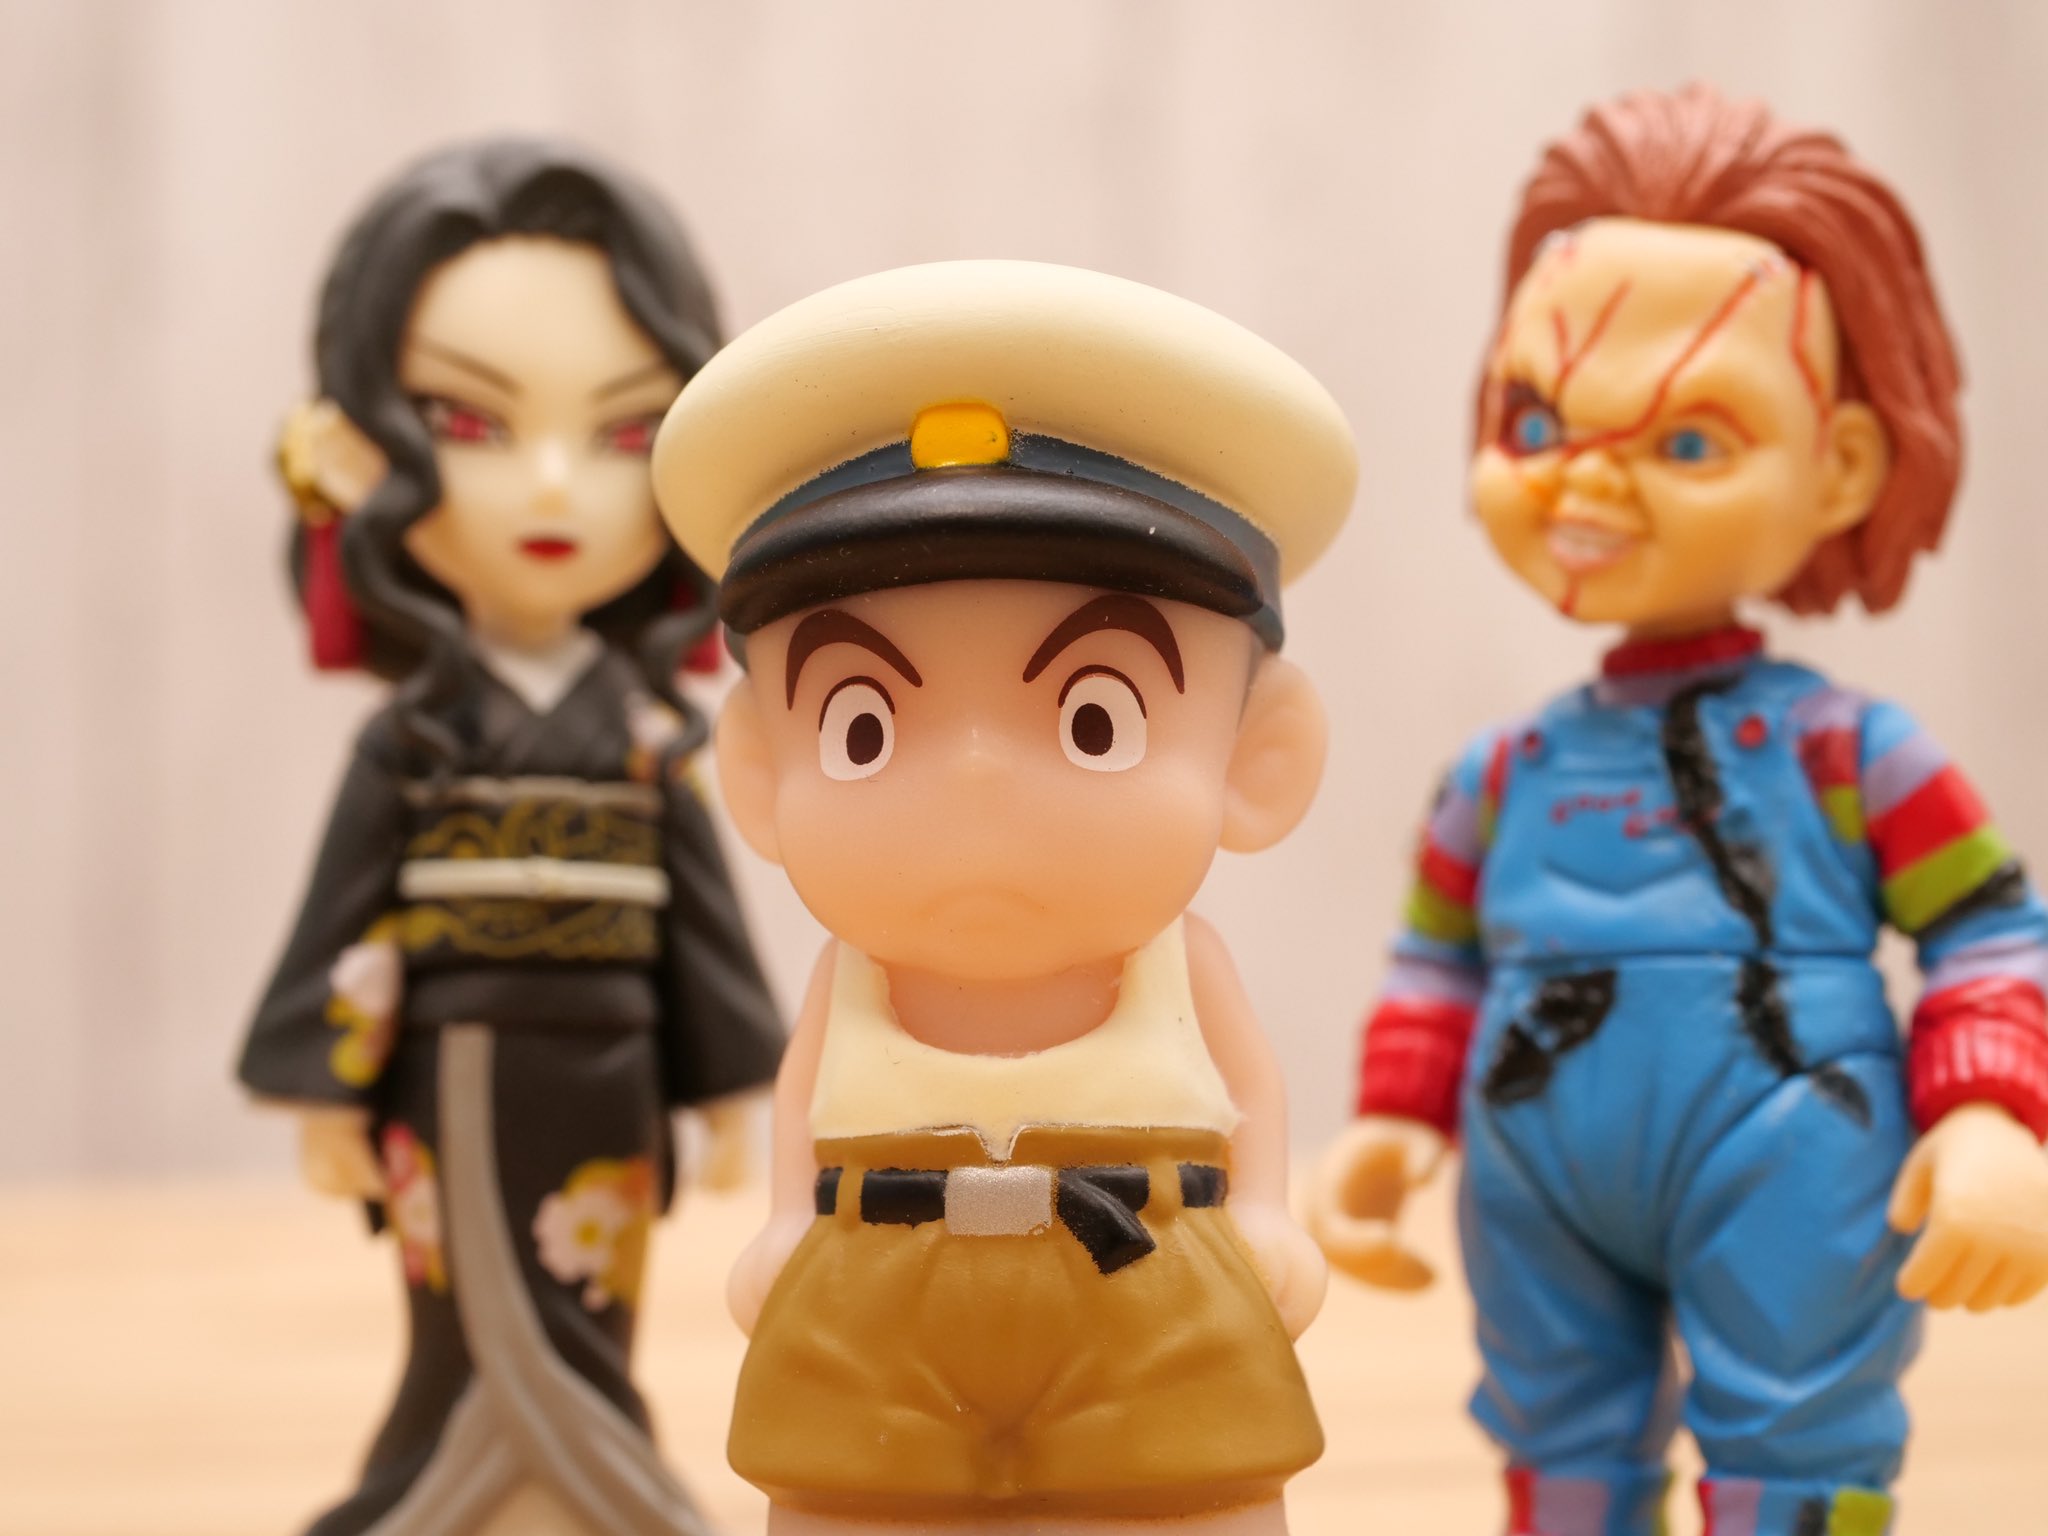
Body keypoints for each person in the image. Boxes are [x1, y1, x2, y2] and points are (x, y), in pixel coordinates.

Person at [1309, 85, 2048, 1536]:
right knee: (1554, 1431)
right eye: (1536, 419)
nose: (1587, 479)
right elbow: (1433, 957)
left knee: (1797, 1435)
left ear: (1841, 465)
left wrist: (1988, 1111)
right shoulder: (1498, 773)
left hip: (1792, 1138)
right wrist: (1391, 1118)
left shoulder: (1854, 754)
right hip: (1535, 1169)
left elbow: (1987, 929)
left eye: (1690, 442)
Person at [651, 259, 1356, 1534]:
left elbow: (1247, 1090)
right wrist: (780, 1224)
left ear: (1259, 761)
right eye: (863, 731)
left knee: (1185, 1493)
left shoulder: (1177, 964)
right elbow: (804, 1103)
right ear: (757, 776)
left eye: (1093, 720)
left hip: (1145, 1267)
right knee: (847, 1498)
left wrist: (1263, 1211)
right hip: (870, 1277)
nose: (975, 781)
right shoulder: (851, 976)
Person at [238, 138, 783, 1536]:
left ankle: (567, 1493)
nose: (551, 488)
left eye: (623, 434)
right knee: (462, 1312)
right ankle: (466, 1498)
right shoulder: (417, 737)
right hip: (453, 1064)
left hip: (614, 1068)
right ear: (360, 446)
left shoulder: (646, 734)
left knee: (591, 1305)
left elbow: (702, 928)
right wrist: (328, 1095)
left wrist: (728, 1088)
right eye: (469, 425)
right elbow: (340, 918)